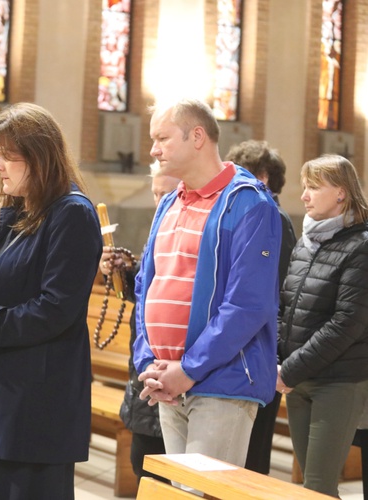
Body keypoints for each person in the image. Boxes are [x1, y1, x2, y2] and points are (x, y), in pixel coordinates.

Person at [0, 103, 102, 499]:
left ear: (39, 155)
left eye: (6, 155)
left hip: (35, 399)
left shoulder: (72, 213)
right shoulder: (17, 208)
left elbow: (57, 308)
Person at [135, 98, 282, 469]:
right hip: (167, 378)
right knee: (181, 494)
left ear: (197, 136)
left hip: (222, 381)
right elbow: (146, 286)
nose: (153, 149)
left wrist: (187, 370)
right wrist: (149, 362)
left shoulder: (249, 203)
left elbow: (248, 305)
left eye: (162, 138)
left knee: (205, 493)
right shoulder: (169, 202)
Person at [277, 155, 368, 497]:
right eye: (305, 187)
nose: (304, 196)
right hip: (299, 379)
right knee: (310, 487)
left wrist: (289, 369)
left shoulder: (361, 245)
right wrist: (278, 359)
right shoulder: (306, 242)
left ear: (341, 193)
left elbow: (348, 323)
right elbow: (286, 306)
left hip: (338, 381)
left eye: (314, 188)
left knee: (318, 486)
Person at [102, 161, 180, 484]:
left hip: (170, 373)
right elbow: (150, 293)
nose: (159, 201)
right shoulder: (159, 229)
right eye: (155, 193)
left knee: (163, 473)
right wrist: (125, 271)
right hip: (145, 370)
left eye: (167, 193)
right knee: (143, 465)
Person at [225, 139, 298, 474]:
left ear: (264, 177)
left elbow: (271, 290)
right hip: (243, 346)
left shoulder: (273, 218)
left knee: (252, 459)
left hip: (261, 348)